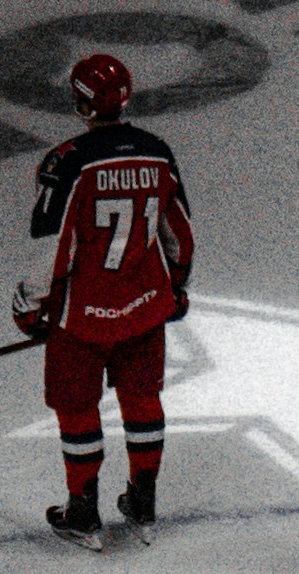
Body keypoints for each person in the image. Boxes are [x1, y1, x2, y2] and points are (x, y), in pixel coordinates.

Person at [21, 52, 192, 549]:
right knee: (143, 400)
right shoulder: (157, 153)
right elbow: (180, 233)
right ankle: (143, 501)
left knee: (77, 407)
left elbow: (51, 245)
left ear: (81, 103)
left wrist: (29, 303)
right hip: (143, 305)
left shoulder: (66, 160)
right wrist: (175, 285)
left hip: (81, 315)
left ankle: (84, 510)